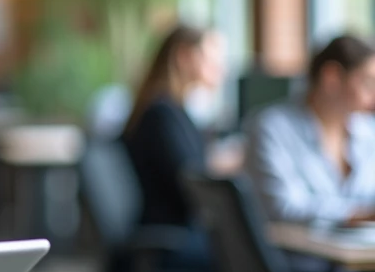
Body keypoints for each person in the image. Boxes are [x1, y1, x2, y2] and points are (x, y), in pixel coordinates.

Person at [245, 34, 375, 226]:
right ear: (331, 78)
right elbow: (283, 207)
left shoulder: (367, 130)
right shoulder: (272, 128)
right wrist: (355, 215)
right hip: (301, 252)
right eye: (368, 82)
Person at [122, 24, 227, 228]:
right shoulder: (161, 114)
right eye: (210, 56)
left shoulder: (172, 110)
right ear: (184, 56)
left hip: (179, 228)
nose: (220, 66)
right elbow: (189, 185)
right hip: (173, 231)